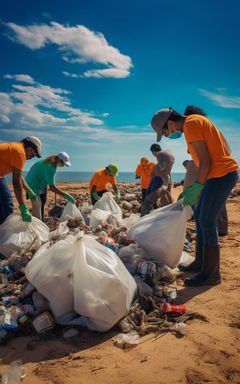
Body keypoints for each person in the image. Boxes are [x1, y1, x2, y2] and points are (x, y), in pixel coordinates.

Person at [151, 107, 238, 286]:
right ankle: (200, 263)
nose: (167, 136)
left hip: (222, 174)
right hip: (215, 175)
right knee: (199, 216)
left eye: (165, 132)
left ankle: (211, 274)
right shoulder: (193, 124)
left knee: (207, 220)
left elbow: (205, 160)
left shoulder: (191, 123)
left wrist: (197, 186)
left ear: (170, 123)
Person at [0, 136, 42, 224]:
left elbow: (19, 176)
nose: (30, 158)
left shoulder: (16, 148)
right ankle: (4, 231)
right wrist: (23, 208)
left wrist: (29, 190)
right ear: (30, 149)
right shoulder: (20, 153)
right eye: (32, 155)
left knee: (5, 202)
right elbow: (16, 183)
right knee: (6, 205)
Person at [25, 152, 75, 220]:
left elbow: (44, 178)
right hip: (32, 184)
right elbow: (52, 188)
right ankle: (37, 224)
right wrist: (65, 195)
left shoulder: (47, 161)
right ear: (59, 160)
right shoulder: (50, 167)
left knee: (42, 202)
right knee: (37, 206)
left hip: (36, 182)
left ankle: (41, 220)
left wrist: (44, 195)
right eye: (64, 164)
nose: (63, 166)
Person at [141, 143, 174, 216]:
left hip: (158, 180)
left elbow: (162, 169)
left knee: (148, 200)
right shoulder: (167, 156)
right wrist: (169, 184)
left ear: (153, 152)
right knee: (151, 200)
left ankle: (144, 219)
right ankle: (149, 216)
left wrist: (155, 170)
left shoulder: (160, 155)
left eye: (152, 153)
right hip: (162, 181)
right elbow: (168, 172)